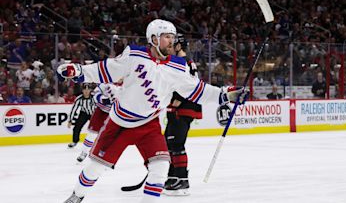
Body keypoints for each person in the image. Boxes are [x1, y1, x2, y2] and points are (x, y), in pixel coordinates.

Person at [57, 19, 247, 203]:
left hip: (149, 125)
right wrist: (78, 71)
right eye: (166, 37)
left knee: (161, 167)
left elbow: (197, 90)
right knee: (94, 168)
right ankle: (77, 196)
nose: (171, 41)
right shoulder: (134, 55)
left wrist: (226, 95)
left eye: (172, 37)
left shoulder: (178, 66)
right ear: (154, 39)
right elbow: (106, 69)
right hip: (119, 123)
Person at [163, 34, 202, 196]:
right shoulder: (187, 61)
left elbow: (188, 85)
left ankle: (182, 180)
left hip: (183, 108)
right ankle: (173, 177)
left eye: (172, 45)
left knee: (176, 143)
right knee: (169, 142)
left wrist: (177, 100)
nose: (170, 48)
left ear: (179, 47)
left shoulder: (183, 62)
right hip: (183, 108)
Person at [76, 83, 120, 162]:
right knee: (92, 134)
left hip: (114, 114)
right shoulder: (107, 82)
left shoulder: (126, 85)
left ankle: (102, 155)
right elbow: (95, 93)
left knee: (108, 136)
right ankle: (84, 152)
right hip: (100, 111)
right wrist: (103, 99)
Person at [67, 83, 96, 148]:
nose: (86, 91)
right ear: (82, 90)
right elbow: (74, 109)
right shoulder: (79, 99)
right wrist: (70, 121)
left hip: (94, 114)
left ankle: (99, 142)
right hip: (84, 113)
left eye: (88, 89)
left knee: (98, 128)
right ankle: (74, 141)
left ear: (90, 90)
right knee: (77, 127)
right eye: (84, 89)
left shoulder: (94, 97)